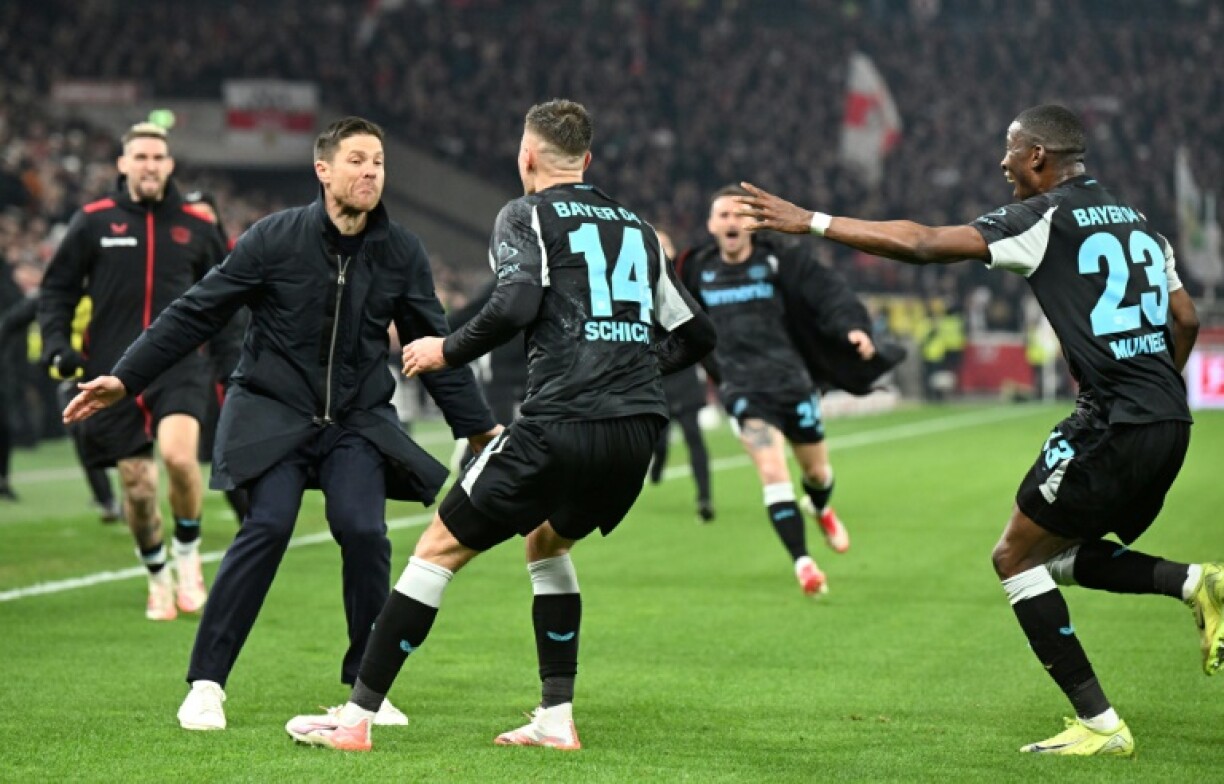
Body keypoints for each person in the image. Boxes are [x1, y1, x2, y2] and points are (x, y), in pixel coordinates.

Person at [736, 104, 1218, 757]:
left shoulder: (1042, 217)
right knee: (1055, 551)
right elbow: (1184, 321)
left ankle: (1101, 725)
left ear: (1040, 157)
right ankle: (1193, 583)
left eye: (1011, 151)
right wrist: (1155, 390)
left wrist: (813, 221)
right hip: (1169, 419)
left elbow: (925, 244)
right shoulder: (1141, 225)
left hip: (1113, 419)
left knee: (1013, 557)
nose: (1002, 163)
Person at [282, 98, 716, 752]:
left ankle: (354, 720)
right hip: (634, 433)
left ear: (527, 156)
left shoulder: (525, 214)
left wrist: (443, 349)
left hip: (559, 422)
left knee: (435, 549)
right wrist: (631, 367)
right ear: (588, 161)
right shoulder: (634, 228)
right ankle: (555, 716)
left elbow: (515, 303)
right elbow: (698, 334)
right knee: (548, 545)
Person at [61, 116, 500, 732]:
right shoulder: (274, 238)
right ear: (323, 170)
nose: (370, 171)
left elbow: (434, 347)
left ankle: (364, 689)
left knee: (364, 531)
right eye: (355, 160)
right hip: (272, 410)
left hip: (355, 419)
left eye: (377, 160)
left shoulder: (402, 251)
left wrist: (477, 430)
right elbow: (195, 313)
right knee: (266, 526)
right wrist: (126, 378)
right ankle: (206, 684)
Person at [38, 122, 232, 618]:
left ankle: (188, 558)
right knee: (140, 491)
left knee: (181, 459)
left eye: (158, 158)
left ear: (169, 166)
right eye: (140, 157)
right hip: (112, 375)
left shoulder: (197, 224)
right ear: (123, 165)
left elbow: (232, 300)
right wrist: (58, 345)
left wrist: (232, 365)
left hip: (180, 365)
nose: (149, 165)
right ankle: (156, 576)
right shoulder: (94, 221)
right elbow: (57, 289)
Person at [676, 185, 901, 596]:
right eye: (722, 215)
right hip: (742, 388)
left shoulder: (779, 262)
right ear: (710, 225)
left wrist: (853, 327)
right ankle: (804, 563)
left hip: (792, 383)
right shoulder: (695, 271)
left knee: (817, 473)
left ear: (752, 224)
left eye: (739, 215)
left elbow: (829, 292)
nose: (731, 222)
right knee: (772, 472)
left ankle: (819, 507)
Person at [649, 228, 714, 522]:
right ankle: (658, 463)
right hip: (657, 370)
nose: (661, 250)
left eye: (666, 244)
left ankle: (704, 498)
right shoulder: (637, 280)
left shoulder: (686, 283)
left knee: (693, 436)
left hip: (684, 370)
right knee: (658, 439)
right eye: (656, 245)